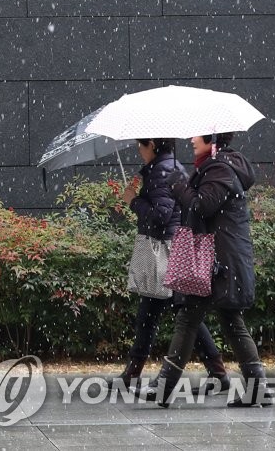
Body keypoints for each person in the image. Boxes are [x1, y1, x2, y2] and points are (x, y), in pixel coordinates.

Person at [142, 132, 273, 408]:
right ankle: (257, 388)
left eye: (197, 135)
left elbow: (203, 205)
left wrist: (179, 187)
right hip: (216, 258)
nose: (191, 139)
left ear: (212, 139)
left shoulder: (220, 169)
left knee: (194, 318)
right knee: (223, 320)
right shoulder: (214, 166)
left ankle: (166, 389)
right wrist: (183, 189)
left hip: (218, 261)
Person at [109, 138, 229, 393]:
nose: (139, 152)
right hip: (166, 248)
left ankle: (134, 373)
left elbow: (161, 215)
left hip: (163, 250)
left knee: (170, 316)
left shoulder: (161, 171)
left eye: (141, 146)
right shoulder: (164, 168)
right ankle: (216, 372)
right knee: (168, 315)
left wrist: (133, 200)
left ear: (151, 144)